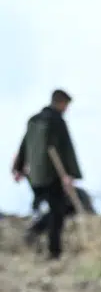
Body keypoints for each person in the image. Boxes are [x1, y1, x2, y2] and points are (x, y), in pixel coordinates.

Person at [12, 89, 81, 260]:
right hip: (53, 174)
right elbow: (66, 149)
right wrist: (71, 174)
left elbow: (24, 145)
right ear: (60, 102)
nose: (66, 109)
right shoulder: (56, 121)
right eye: (66, 105)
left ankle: (35, 231)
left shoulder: (33, 121)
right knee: (60, 210)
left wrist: (19, 168)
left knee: (53, 209)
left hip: (34, 176)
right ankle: (53, 251)